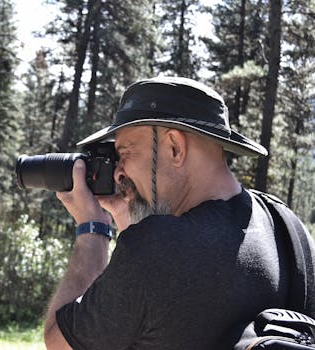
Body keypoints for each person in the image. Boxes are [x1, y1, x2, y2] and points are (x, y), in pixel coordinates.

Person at [43, 76, 315, 349]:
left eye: (125, 153)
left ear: (175, 148)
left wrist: (93, 227)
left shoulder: (155, 249)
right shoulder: (287, 226)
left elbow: (59, 343)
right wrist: (129, 220)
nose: (118, 171)